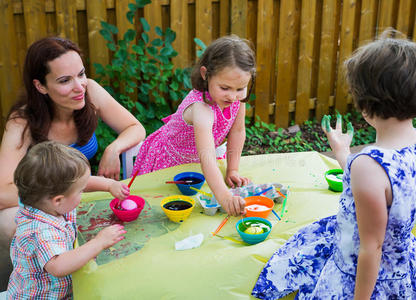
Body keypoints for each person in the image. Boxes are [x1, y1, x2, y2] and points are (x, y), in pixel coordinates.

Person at [252, 29, 416, 299]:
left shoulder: (368, 166)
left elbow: (370, 248)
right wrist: (343, 151)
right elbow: (383, 186)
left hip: (366, 276)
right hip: (402, 263)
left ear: (366, 102)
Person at [0, 36, 145, 289]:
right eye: (65, 80)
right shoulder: (22, 122)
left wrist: (114, 148)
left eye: (81, 74)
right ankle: (34, 283)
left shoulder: (89, 91)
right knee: (9, 222)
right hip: (42, 205)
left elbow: (134, 127)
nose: (79, 86)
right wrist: (60, 194)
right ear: (41, 86)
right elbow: (3, 192)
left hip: (76, 192)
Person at [132, 35, 255, 216]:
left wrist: (232, 169)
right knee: (161, 211)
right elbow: (206, 157)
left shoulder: (237, 100)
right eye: (225, 88)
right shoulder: (201, 107)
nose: (232, 96)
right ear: (206, 74)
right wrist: (226, 198)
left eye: (240, 88)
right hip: (169, 162)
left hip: (196, 163)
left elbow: (237, 131)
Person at [5, 141, 126, 299]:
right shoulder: (40, 230)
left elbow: (83, 181)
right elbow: (58, 266)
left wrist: (109, 185)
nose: (83, 191)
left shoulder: (48, 203)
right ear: (58, 200)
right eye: (81, 191)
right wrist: (99, 242)